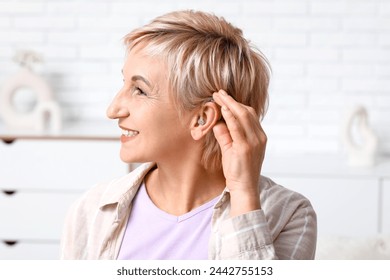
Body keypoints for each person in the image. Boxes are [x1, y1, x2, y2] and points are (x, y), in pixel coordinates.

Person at [60, 10, 317, 260]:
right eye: (124, 84)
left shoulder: (289, 215)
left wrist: (243, 193)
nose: (113, 110)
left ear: (202, 119)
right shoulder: (92, 210)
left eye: (139, 90)